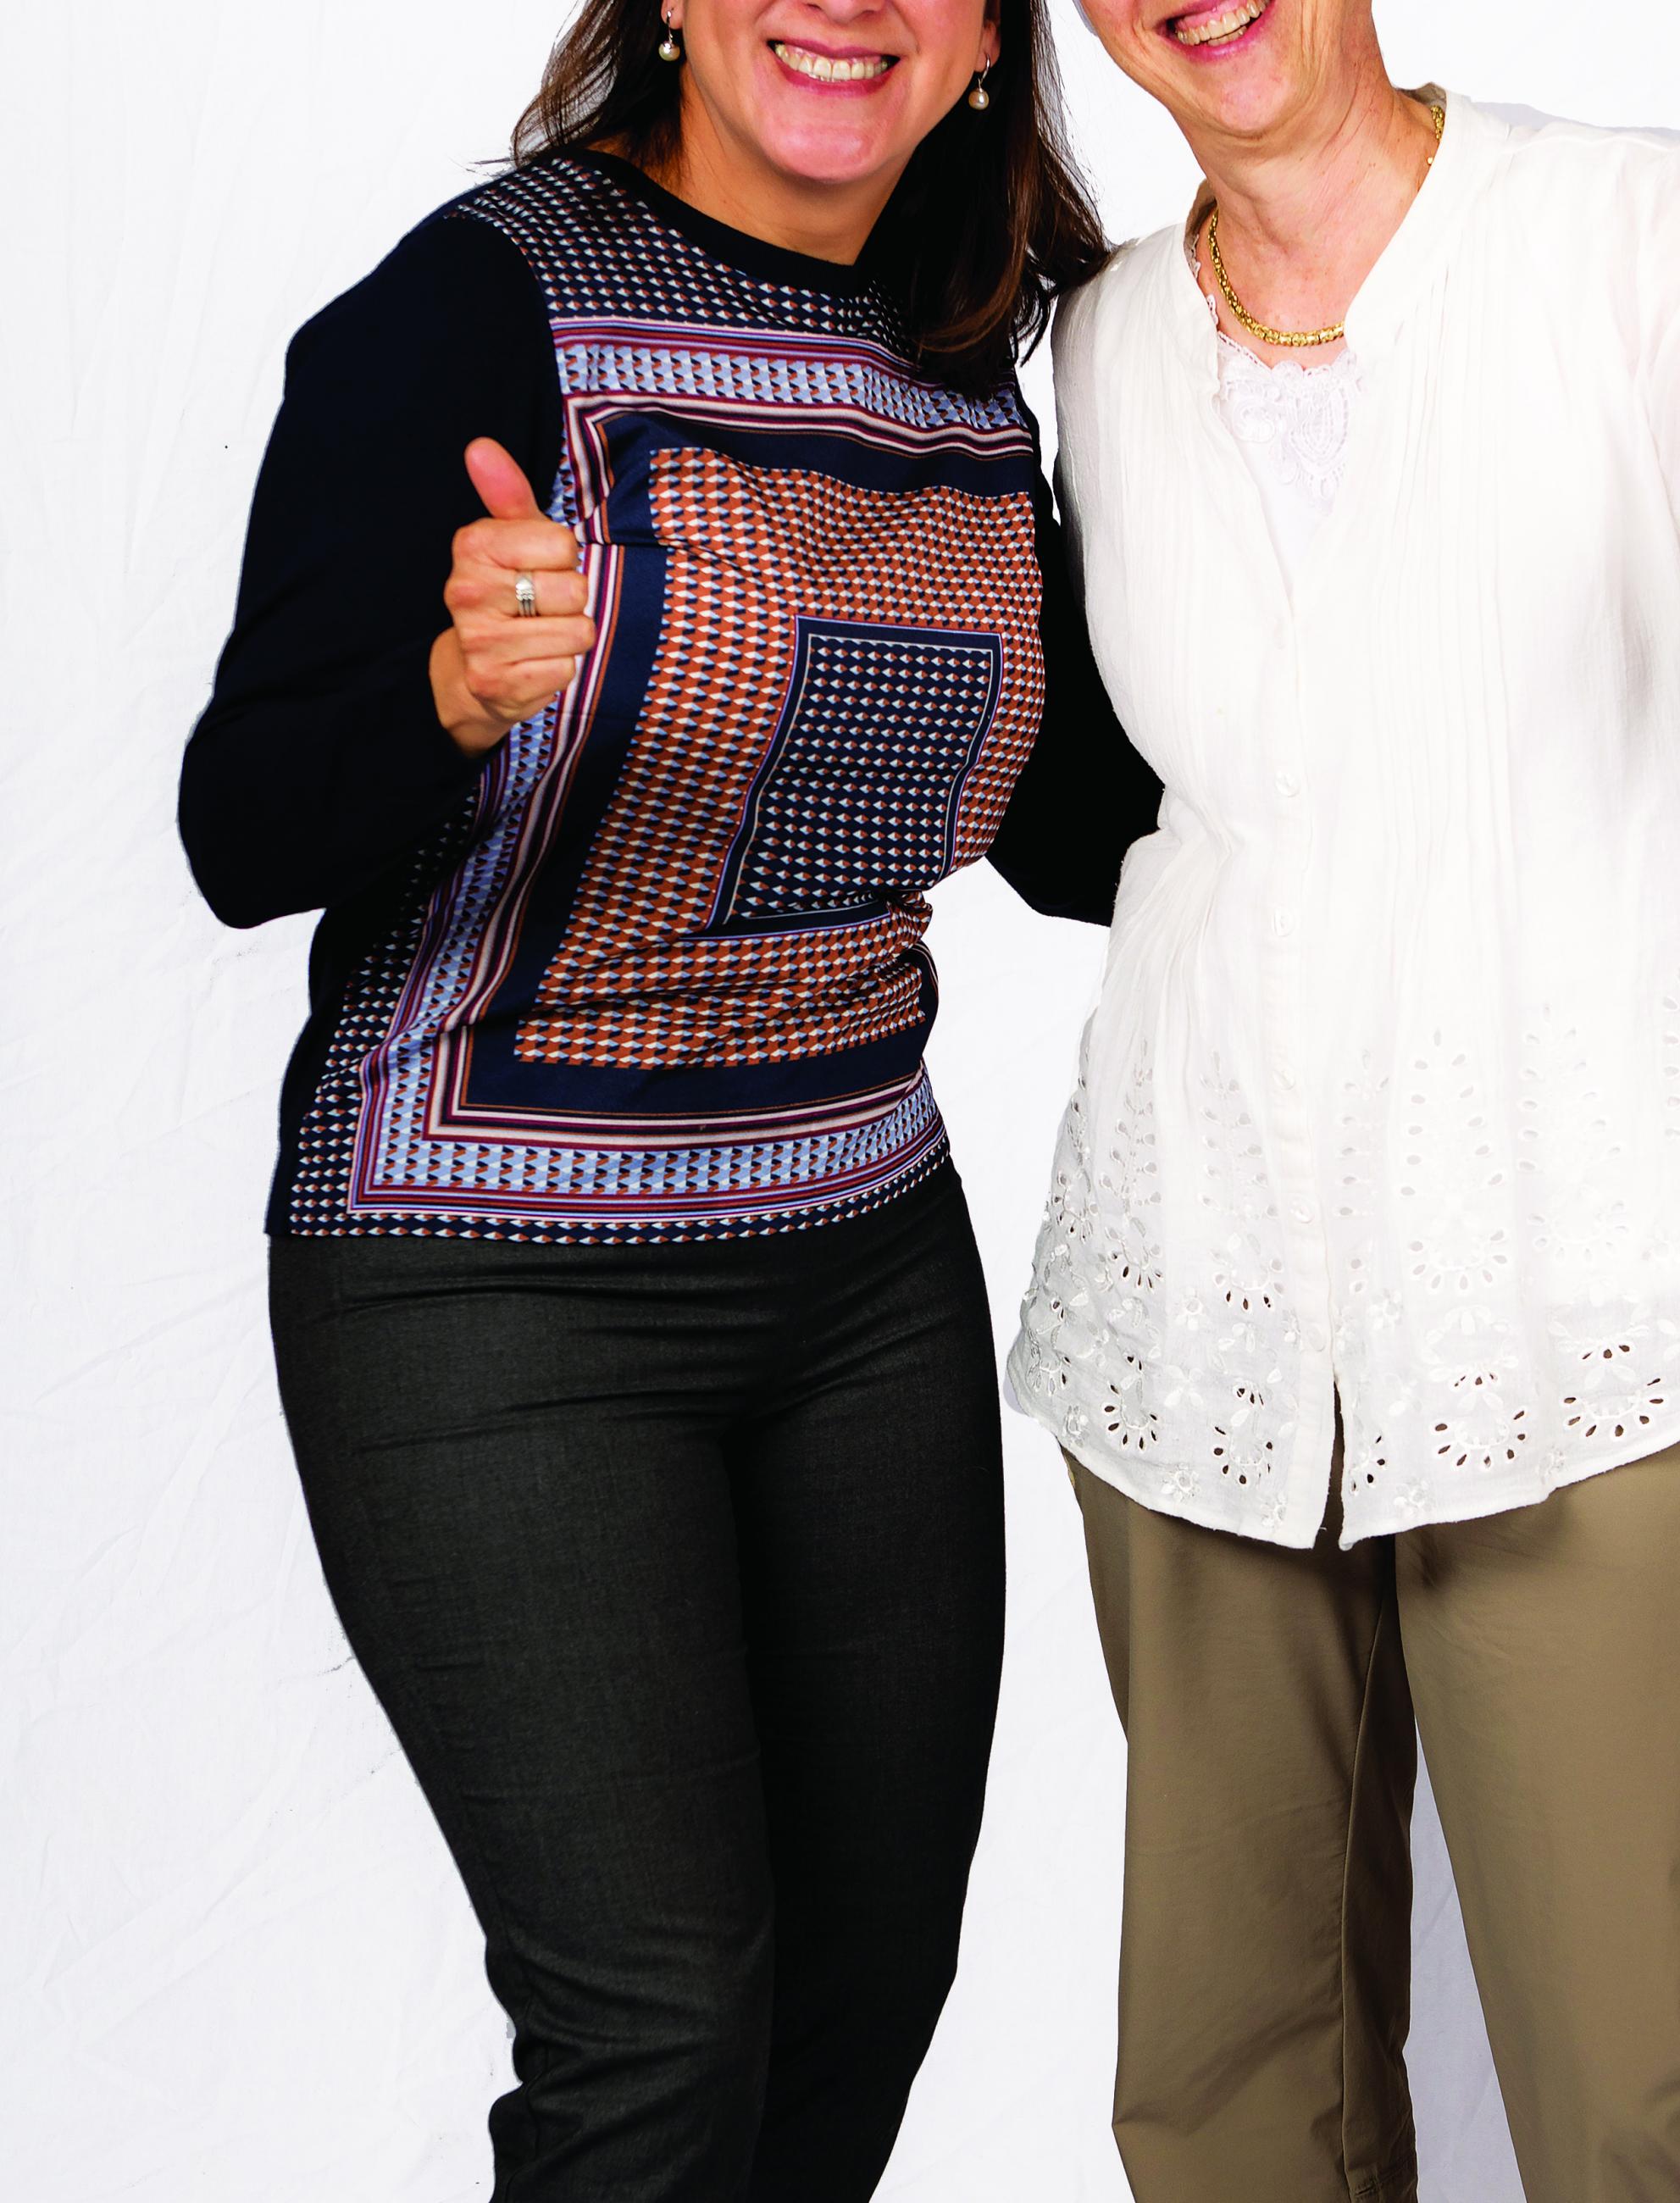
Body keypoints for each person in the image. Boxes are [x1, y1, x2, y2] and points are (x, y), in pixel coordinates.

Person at [1008, 3, 1680, 2198]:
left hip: (1601, 1298)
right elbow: (1122, 807)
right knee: (1220, 2084)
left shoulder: (1625, 226)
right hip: (1203, 1310)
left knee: (1640, 2096)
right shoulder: (1095, 345)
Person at [178, 3, 1158, 2196]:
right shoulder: (473, 311)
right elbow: (239, 829)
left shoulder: (973, 350)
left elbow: (1078, 831)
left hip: (860, 1277)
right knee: (657, 2032)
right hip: (487, 1293)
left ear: (990, 51)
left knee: (860, 2001)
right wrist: (444, 692)